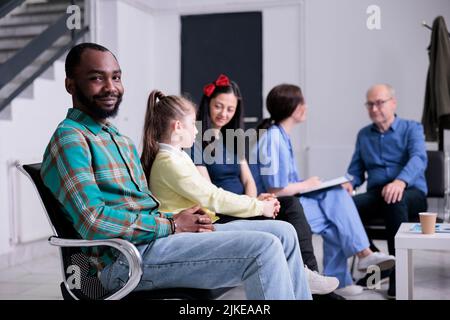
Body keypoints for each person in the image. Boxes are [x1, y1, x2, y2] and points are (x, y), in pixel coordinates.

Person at [40, 42, 311, 300]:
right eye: (97, 78)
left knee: (283, 232)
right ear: (70, 84)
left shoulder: (117, 138)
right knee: (264, 248)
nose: (111, 87)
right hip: (125, 261)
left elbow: (142, 207)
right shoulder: (70, 139)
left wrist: (180, 220)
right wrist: (171, 224)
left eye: (117, 77)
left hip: (156, 241)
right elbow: (93, 222)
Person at [140, 88, 338, 296]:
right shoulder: (169, 162)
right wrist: (259, 206)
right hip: (187, 235)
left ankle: (302, 282)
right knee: (270, 241)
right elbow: (213, 197)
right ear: (178, 127)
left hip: (202, 226)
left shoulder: (179, 157)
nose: (197, 130)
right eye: (192, 125)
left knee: (286, 231)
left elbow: (216, 193)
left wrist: (256, 202)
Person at [190, 74, 342, 299]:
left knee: (289, 203)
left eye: (230, 109)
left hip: (245, 206)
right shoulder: (196, 140)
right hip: (224, 211)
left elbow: (248, 180)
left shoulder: (233, 138)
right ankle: (313, 283)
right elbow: (209, 192)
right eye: (218, 106)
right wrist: (249, 206)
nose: (224, 113)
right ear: (208, 105)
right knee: (288, 211)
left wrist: (254, 202)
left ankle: (309, 275)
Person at [250, 83, 396, 296]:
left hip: (288, 203)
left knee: (334, 213)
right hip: (275, 208)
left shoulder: (280, 136)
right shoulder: (273, 139)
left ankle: (341, 280)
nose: (306, 107)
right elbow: (276, 190)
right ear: (295, 108)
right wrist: (308, 184)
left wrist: (308, 185)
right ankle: (364, 255)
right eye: (303, 103)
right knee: (335, 208)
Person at [342, 84, 428, 299]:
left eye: (379, 102)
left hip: (411, 192)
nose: (374, 108)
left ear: (393, 103)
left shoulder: (412, 128)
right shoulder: (364, 135)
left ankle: (398, 277)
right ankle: (381, 262)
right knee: (344, 206)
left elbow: (419, 159)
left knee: (394, 200)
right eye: (370, 104)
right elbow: (356, 170)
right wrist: (348, 183)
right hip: (377, 193)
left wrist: (400, 181)